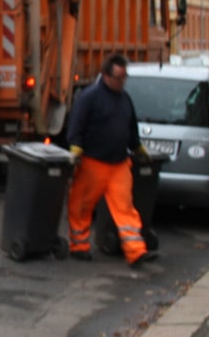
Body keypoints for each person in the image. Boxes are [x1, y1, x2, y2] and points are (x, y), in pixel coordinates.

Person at [66, 53, 156, 268]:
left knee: (125, 208)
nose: (122, 81)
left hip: (118, 164)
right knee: (81, 206)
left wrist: (137, 147)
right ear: (106, 75)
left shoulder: (124, 99)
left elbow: (130, 127)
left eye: (125, 77)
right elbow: (77, 124)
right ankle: (79, 247)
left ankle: (136, 252)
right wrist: (76, 148)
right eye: (119, 77)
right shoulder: (89, 98)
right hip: (92, 163)